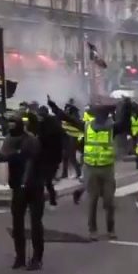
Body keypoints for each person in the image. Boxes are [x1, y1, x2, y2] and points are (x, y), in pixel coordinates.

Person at [51, 100, 121, 240]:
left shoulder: (112, 127)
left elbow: (125, 122)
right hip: (91, 168)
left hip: (107, 168)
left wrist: (126, 106)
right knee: (93, 200)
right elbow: (68, 119)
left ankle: (110, 229)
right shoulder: (87, 126)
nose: (98, 117)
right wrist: (55, 109)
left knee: (109, 201)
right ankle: (92, 230)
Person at [0, 111, 44, 271]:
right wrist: (15, 155)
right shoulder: (10, 140)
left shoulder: (31, 140)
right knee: (17, 224)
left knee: (36, 224)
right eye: (9, 124)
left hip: (35, 186)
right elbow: (1, 156)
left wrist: (15, 156)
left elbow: (31, 159)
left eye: (13, 124)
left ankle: (37, 258)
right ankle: (20, 257)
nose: (10, 127)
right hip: (17, 187)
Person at [34, 105, 65, 205]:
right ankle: (40, 201)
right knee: (41, 182)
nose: (39, 118)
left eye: (40, 116)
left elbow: (56, 144)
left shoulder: (53, 128)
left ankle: (52, 199)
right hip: (41, 158)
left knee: (47, 181)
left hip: (51, 159)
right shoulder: (40, 125)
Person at [59, 101, 83, 180]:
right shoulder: (70, 117)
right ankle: (65, 173)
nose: (65, 110)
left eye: (67, 109)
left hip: (73, 138)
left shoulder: (73, 118)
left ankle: (79, 172)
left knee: (71, 156)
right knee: (65, 156)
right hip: (68, 138)